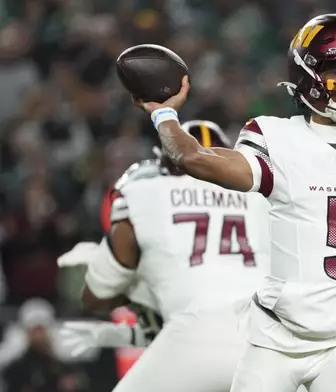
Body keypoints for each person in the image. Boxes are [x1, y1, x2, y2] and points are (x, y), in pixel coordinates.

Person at [135, 14, 336, 391]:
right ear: (308, 74)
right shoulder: (274, 136)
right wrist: (164, 114)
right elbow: (194, 158)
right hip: (274, 340)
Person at [65, 120, 270, 392]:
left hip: (194, 336)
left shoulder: (146, 191)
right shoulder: (263, 197)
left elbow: (96, 295)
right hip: (266, 339)